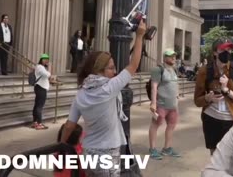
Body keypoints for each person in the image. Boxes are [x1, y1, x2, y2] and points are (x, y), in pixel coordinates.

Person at [59, 20, 146, 177]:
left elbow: (69, 126)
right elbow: (133, 65)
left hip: (88, 153)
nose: (115, 71)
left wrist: (61, 145)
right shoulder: (109, 88)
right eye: (111, 68)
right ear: (99, 70)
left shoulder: (81, 93)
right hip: (108, 153)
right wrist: (139, 36)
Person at [194, 41, 233, 155]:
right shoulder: (205, 71)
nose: (226, 53)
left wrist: (228, 91)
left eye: (229, 50)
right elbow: (197, 101)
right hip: (211, 119)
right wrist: (207, 98)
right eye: (222, 50)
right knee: (215, 156)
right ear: (215, 52)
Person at [148, 49, 181, 160]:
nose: (173, 58)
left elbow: (175, 84)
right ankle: (152, 149)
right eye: (171, 56)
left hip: (173, 105)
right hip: (161, 104)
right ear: (165, 57)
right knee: (155, 125)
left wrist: (177, 95)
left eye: (174, 56)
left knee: (171, 126)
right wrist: (153, 103)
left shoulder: (174, 70)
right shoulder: (158, 70)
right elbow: (154, 87)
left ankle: (167, 148)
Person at [31, 54, 56, 130]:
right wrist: (50, 67)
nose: (46, 61)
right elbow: (47, 74)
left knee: (37, 105)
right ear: (41, 59)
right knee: (39, 106)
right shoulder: (40, 67)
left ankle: (35, 122)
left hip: (40, 87)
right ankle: (39, 123)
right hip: (41, 88)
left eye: (47, 59)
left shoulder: (41, 67)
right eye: (45, 59)